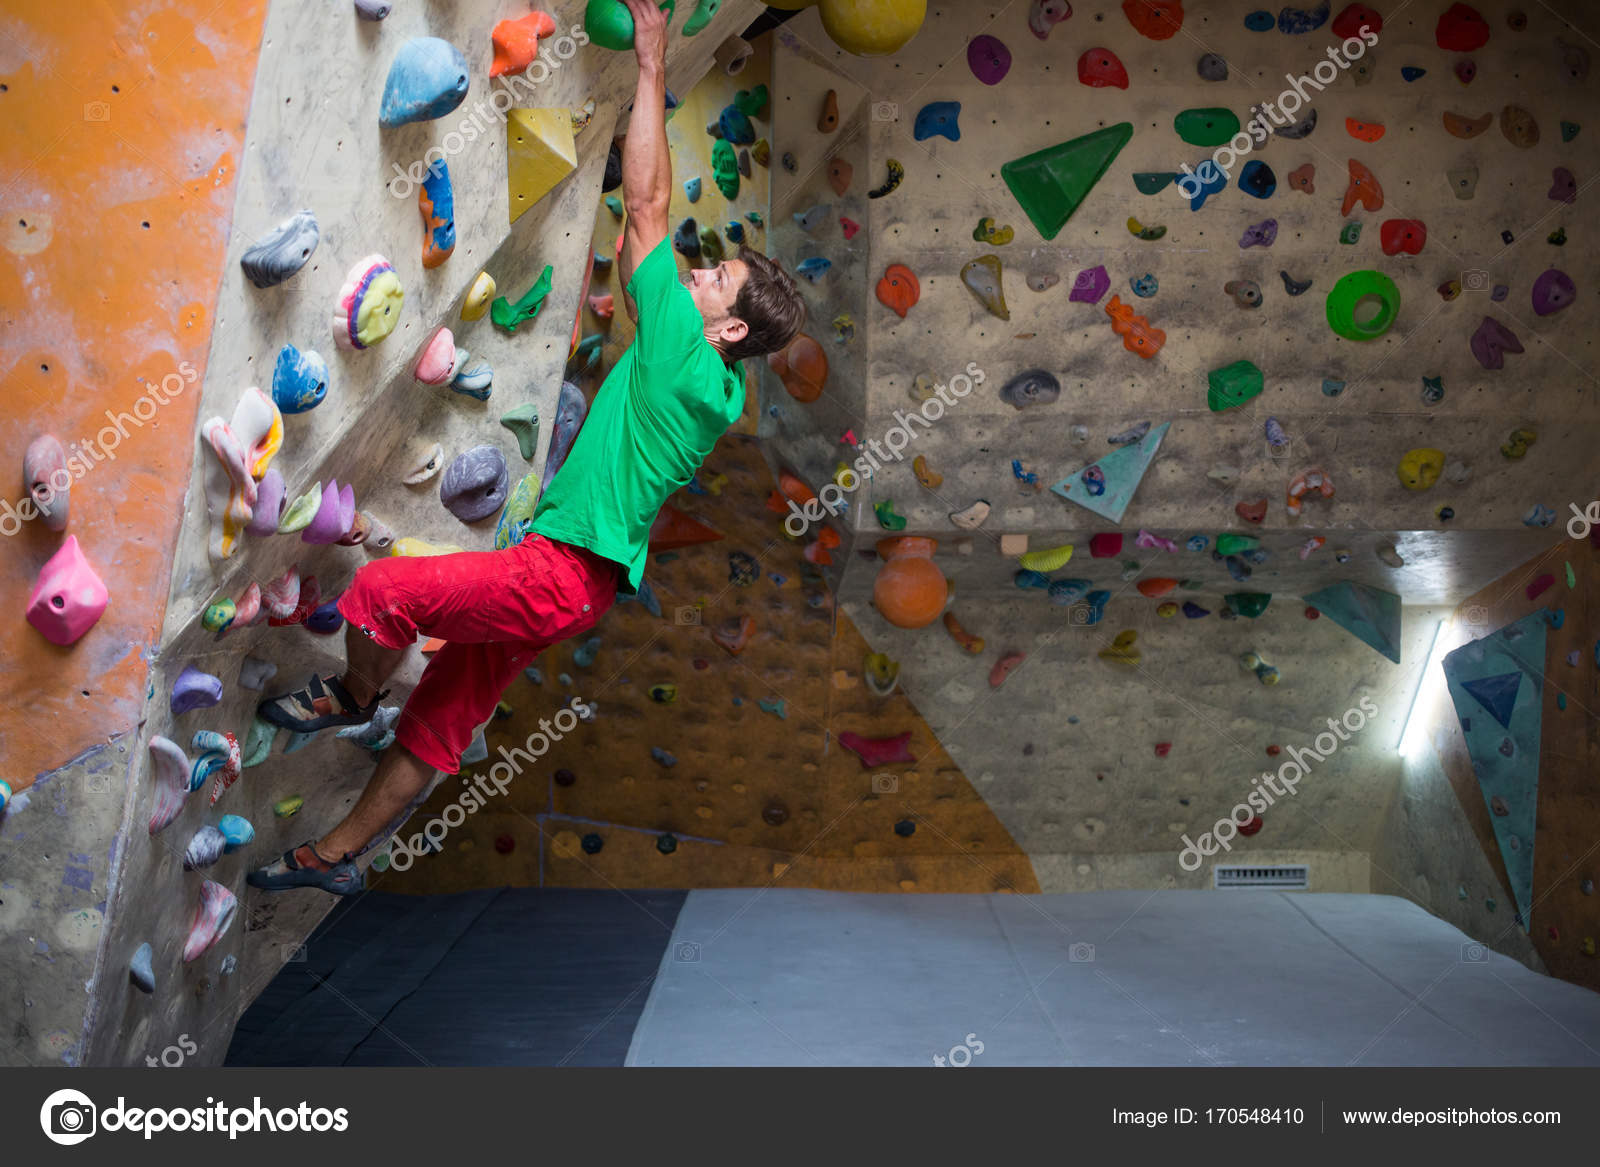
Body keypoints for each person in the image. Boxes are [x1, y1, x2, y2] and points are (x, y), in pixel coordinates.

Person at [248, 0, 805, 894]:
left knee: (383, 594)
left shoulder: (684, 350)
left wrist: (653, 63)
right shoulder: (716, 390)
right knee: (439, 720)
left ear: (728, 324)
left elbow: (650, 208)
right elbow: (647, 250)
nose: (698, 272)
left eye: (716, 279)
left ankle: (351, 697)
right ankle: (334, 856)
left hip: (556, 573)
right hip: (576, 587)